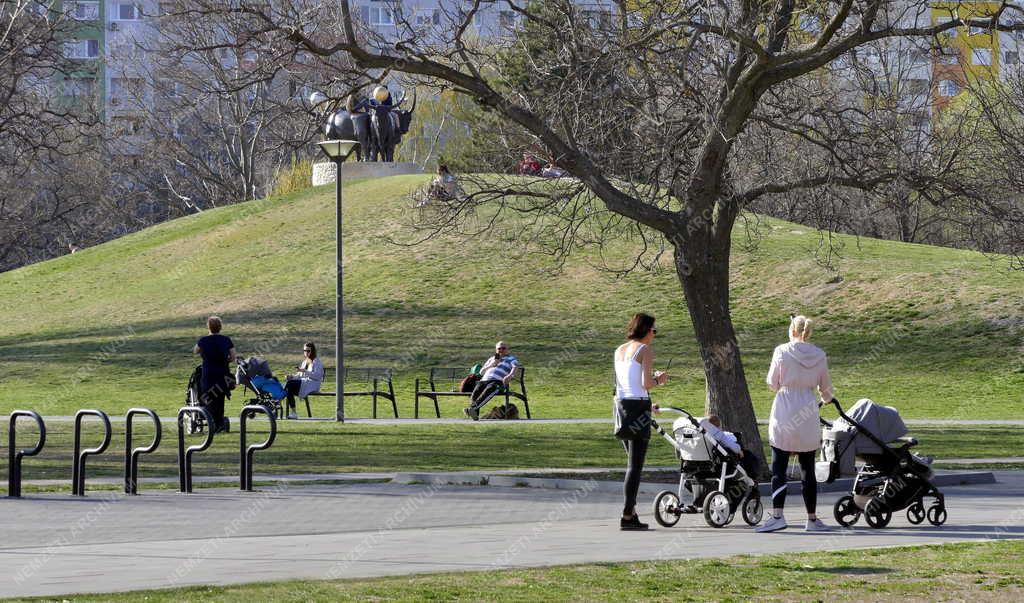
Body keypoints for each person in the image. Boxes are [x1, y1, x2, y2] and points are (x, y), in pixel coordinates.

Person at [757, 314, 835, 533]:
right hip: (808, 409)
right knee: (807, 467)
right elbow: (826, 390)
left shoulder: (781, 351)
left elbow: (773, 383)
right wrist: (825, 398)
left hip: (785, 408)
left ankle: (778, 515)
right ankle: (811, 518)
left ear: (791, 330)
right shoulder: (819, 355)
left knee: (779, 466)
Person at [614, 312, 668, 531]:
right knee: (635, 466)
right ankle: (627, 514)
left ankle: (632, 512)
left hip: (623, 406)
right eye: (654, 330)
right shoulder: (644, 350)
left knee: (632, 463)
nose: (654, 335)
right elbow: (646, 384)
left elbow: (625, 383)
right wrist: (660, 379)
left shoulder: (619, 350)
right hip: (638, 408)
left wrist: (649, 404)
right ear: (646, 330)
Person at [192, 316, 236, 433]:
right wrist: (224, 361)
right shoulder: (226, 340)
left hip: (208, 374)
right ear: (220, 327)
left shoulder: (203, 341)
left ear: (208, 327)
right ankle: (219, 423)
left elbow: (195, 351)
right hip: (222, 374)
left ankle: (211, 421)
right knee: (219, 399)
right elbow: (233, 357)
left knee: (208, 398)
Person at [464, 341, 519, 420]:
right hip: (484, 380)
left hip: (498, 382)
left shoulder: (511, 358)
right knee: (476, 392)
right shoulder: (492, 359)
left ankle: (472, 409)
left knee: (490, 388)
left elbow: (515, 367)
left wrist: (510, 375)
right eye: (499, 348)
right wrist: (493, 364)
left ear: (507, 349)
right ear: (496, 350)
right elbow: (481, 372)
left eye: (503, 348)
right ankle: (474, 413)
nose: (501, 350)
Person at [703, 415, 760, 485]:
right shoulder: (719, 435)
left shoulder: (702, 437)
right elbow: (733, 447)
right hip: (721, 462)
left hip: (705, 462)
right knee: (747, 455)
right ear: (719, 426)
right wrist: (739, 451)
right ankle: (753, 477)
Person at [283, 342, 324, 419]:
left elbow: (317, 376)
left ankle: (278, 401)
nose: (306, 352)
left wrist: (305, 371)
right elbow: (299, 376)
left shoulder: (317, 362)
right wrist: (291, 377)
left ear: (313, 351)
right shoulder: (304, 362)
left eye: (308, 351)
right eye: (304, 350)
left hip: (312, 385)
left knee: (289, 385)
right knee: (289, 385)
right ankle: (293, 412)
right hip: (304, 383)